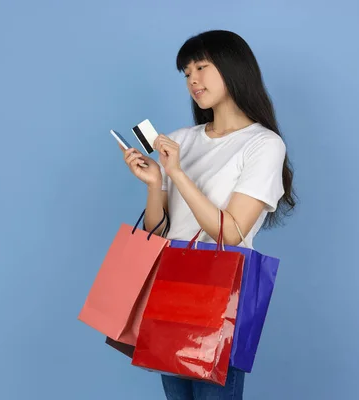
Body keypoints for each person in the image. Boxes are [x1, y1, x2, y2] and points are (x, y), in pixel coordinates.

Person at [120, 30, 296, 400]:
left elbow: (230, 233)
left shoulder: (263, 144)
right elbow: (158, 230)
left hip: (218, 295)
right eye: (186, 73)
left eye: (202, 66)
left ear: (234, 69)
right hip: (167, 288)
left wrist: (179, 174)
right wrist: (155, 183)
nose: (193, 80)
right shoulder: (182, 138)